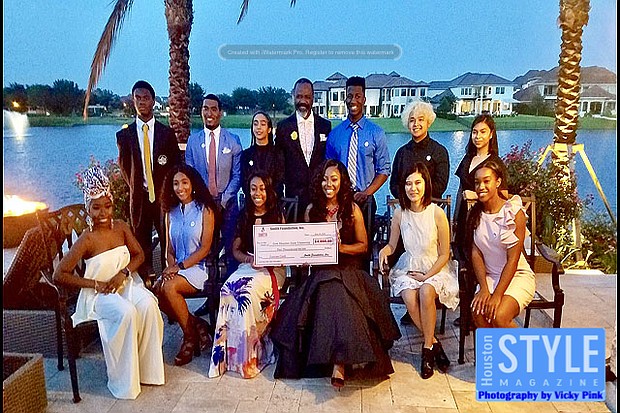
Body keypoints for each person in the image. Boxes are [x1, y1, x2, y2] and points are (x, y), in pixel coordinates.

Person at [271, 159, 400, 388]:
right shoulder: (312, 210)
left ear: (342, 182)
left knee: (340, 289)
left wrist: (340, 248)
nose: (328, 184)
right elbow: (307, 246)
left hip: (349, 269)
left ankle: (339, 362)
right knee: (329, 288)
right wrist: (303, 256)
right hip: (322, 270)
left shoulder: (352, 209)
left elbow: (363, 246)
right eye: (324, 179)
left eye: (333, 179)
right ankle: (338, 360)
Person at [53, 166, 164, 399]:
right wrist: (94, 284)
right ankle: (124, 381)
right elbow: (59, 274)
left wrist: (124, 273)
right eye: (96, 207)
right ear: (88, 208)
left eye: (107, 206)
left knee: (148, 305)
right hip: (100, 295)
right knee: (126, 313)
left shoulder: (121, 227)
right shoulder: (87, 239)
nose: (103, 212)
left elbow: (139, 255)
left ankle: (148, 372)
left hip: (126, 284)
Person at [378, 162, 459, 379]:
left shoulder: (437, 213)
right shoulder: (400, 214)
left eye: (417, 183)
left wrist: (426, 276)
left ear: (426, 184)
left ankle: (426, 350)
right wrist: (384, 251)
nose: (413, 188)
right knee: (408, 296)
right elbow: (392, 245)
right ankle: (433, 344)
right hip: (409, 264)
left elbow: (445, 254)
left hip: (435, 266)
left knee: (425, 292)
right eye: (408, 183)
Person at [209, 171, 287, 378]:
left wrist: (270, 260)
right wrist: (248, 260)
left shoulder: (277, 214)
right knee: (228, 290)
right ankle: (225, 357)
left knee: (247, 293)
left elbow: (284, 249)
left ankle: (251, 355)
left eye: (262, 188)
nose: (257, 193)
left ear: (268, 191)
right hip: (248, 265)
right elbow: (236, 250)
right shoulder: (243, 215)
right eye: (253, 189)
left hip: (272, 269)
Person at [389, 100, 449, 325]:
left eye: (421, 120)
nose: (416, 124)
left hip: (429, 216)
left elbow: (441, 184)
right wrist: (408, 202)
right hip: (407, 215)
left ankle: (428, 304)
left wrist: (421, 202)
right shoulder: (402, 153)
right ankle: (411, 304)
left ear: (428, 122)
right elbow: (394, 184)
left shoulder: (439, 151)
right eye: (412, 120)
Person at [117, 80, 181, 284]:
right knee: (140, 242)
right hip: (140, 198)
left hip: (162, 197)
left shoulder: (166, 134)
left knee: (166, 239)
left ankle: (166, 281)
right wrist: (137, 187)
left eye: (145, 98)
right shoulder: (125, 135)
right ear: (133, 100)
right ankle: (144, 283)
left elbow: (175, 165)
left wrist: (168, 193)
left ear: (153, 101)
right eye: (137, 98)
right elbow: (125, 167)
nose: (141, 102)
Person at [326, 76, 391, 268]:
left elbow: (384, 169)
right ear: (345, 99)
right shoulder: (335, 134)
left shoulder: (376, 133)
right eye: (349, 96)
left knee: (362, 253)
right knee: (338, 250)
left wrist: (367, 193)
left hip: (365, 201)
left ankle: (362, 283)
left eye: (357, 96)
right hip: (339, 201)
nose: (353, 100)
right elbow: (328, 168)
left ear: (364, 99)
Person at [155, 164, 216, 366]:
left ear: (193, 184)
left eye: (184, 182)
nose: (180, 188)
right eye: (175, 184)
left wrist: (179, 267)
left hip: (198, 268)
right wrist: (171, 266)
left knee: (168, 288)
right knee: (156, 290)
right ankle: (197, 325)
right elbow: (169, 249)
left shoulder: (205, 210)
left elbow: (205, 248)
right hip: (176, 268)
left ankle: (189, 338)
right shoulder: (170, 213)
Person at [453, 114, 508, 328]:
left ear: (491, 134)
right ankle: (467, 313)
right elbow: (461, 190)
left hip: (482, 220)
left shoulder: (495, 163)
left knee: (479, 265)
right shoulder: (468, 158)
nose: (478, 136)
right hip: (464, 219)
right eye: (474, 132)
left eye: (483, 132)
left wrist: (475, 196)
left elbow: (503, 195)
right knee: (464, 265)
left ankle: (478, 313)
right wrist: (455, 219)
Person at [466, 159, 535, 328]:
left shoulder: (513, 213)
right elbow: (476, 253)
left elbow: (513, 260)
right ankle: (495, 347)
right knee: (478, 312)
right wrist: (483, 288)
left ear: (497, 182)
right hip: (490, 277)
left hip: (517, 275)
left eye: (486, 181)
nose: (481, 187)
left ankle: (529, 345)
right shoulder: (475, 214)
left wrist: (497, 295)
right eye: (477, 182)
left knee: (498, 316)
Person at [186, 94, 242, 278]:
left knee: (231, 250)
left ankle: (231, 288)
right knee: (206, 251)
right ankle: (208, 290)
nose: (209, 113)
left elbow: (237, 174)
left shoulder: (233, 140)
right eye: (205, 108)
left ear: (220, 112)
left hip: (228, 204)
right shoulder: (193, 141)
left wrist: (224, 200)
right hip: (203, 204)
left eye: (213, 109)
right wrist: (205, 200)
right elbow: (190, 174)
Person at [275, 78, 332, 221]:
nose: (303, 101)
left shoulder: (325, 126)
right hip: (292, 199)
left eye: (307, 97)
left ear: (313, 98)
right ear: (293, 96)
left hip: (319, 197)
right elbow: (279, 166)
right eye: (299, 96)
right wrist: (280, 199)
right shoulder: (283, 127)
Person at [240, 111, 285, 198]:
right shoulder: (246, 155)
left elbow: (279, 182)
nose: (258, 127)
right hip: (252, 200)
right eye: (255, 124)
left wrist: (265, 197)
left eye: (263, 124)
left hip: (274, 201)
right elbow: (244, 183)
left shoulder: (278, 154)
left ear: (269, 129)